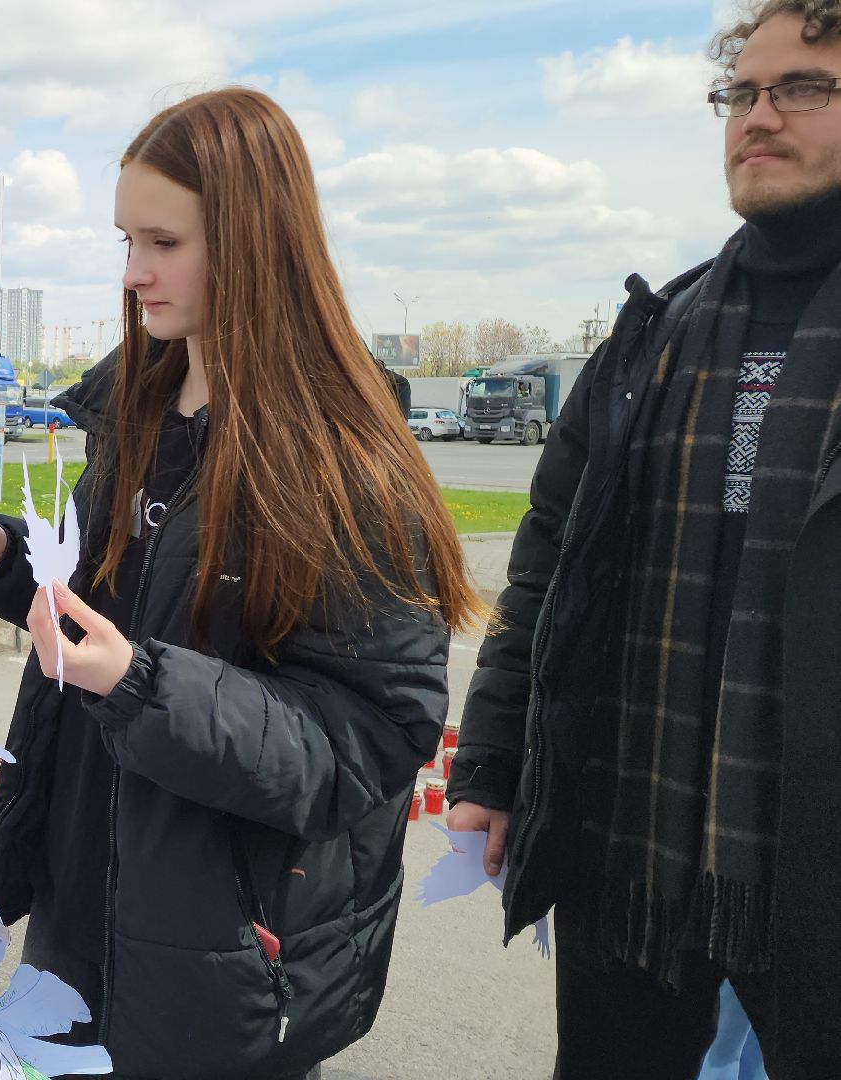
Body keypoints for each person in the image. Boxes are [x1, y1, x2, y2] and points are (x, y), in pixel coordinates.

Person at [0, 89, 481, 1080]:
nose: (133, 272)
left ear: (252, 239)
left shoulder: (342, 465)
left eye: (162, 241)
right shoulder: (129, 411)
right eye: (124, 240)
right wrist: (11, 570)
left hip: (218, 965)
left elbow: (368, 745)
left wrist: (142, 684)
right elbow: (111, 622)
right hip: (75, 915)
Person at [445, 3, 841, 1076]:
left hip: (813, 869)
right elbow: (546, 568)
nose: (757, 118)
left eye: (802, 88)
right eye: (739, 94)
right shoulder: (652, 337)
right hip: (632, 844)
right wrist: (489, 761)